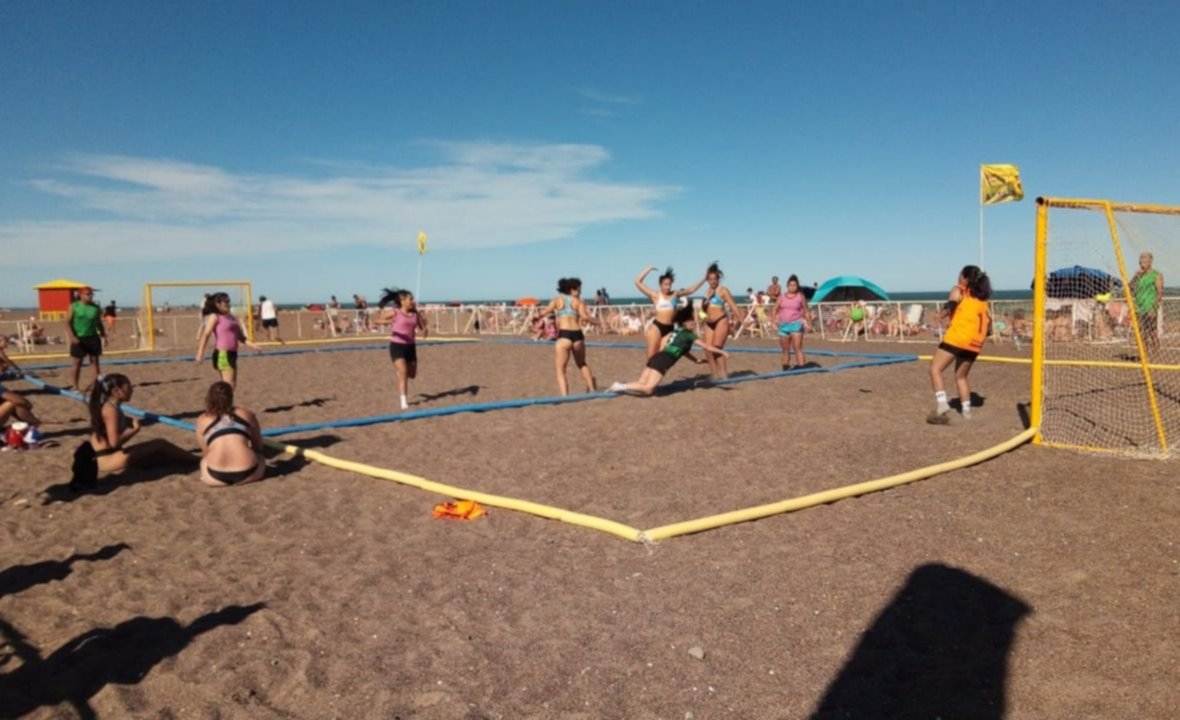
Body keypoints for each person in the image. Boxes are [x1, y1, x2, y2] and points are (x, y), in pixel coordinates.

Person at [73, 374, 196, 487]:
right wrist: (135, 430)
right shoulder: (110, 410)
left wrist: (128, 421)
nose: (132, 390)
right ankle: (197, 460)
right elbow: (114, 443)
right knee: (160, 444)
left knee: (158, 455)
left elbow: (112, 426)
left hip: (106, 455)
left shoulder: (111, 406)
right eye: (128, 387)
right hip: (106, 459)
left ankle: (192, 460)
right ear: (116, 391)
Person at [928, 266, 991, 424]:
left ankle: (942, 403)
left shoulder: (960, 289)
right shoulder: (983, 300)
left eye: (959, 275)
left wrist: (941, 315)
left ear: (965, 278)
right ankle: (966, 411)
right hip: (975, 343)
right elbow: (988, 324)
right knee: (961, 377)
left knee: (935, 369)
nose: (957, 278)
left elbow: (951, 304)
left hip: (957, 338)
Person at [609, 313, 726, 396]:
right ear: (684, 323)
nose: (693, 323)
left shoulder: (678, 331)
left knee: (642, 383)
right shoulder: (689, 335)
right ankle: (620, 386)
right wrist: (722, 351)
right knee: (648, 389)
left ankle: (621, 386)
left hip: (657, 357)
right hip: (664, 360)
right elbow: (707, 346)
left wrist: (696, 360)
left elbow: (682, 351)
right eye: (690, 321)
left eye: (693, 321)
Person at [536, 277, 604, 396]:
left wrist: (536, 316)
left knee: (560, 370)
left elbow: (543, 313)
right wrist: (599, 322)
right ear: (571, 290)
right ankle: (592, 390)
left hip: (564, 335)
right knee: (582, 363)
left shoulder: (557, 300)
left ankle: (565, 396)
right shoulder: (579, 302)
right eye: (578, 289)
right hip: (577, 335)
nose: (580, 291)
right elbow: (586, 317)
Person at [194, 381, 266, 487]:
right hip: (248, 473)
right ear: (231, 397)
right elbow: (258, 446)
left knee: (204, 462)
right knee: (260, 458)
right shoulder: (247, 414)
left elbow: (206, 451)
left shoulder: (202, 420)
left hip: (215, 476)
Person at [634, 265, 707, 359]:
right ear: (660, 285)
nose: (668, 287)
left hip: (669, 328)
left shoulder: (675, 294)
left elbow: (690, 290)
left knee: (662, 355)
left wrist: (704, 279)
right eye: (666, 284)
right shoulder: (655, 295)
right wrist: (649, 269)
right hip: (657, 327)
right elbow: (637, 281)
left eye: (670, 284)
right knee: (651, 355)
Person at [374, 287, 428, 410]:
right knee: (403, 372)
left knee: (412, 374)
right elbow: (377, 320)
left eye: (412, 299)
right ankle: (403, 401)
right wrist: (387, 322)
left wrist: (425, 331)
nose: (413, 301)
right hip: (396, 346)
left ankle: (401, 372)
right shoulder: (395, 312)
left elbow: (424, 329)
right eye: (410, 299)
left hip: (410, 347)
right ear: (402, 301)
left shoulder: (415, 314)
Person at [195, 292, 262, 388]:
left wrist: (253, 345)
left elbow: (240, 337)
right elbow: (206, 334)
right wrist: (200, 352)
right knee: (229, 386)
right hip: (223, 354)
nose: (228, 303)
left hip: (232, 354)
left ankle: (221, 398)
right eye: (226, 301)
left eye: (229, 301)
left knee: (231, 385)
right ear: (218, 304)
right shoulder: (215, 316)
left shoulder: (231, 318)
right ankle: (220, 398)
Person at [701, 262, 744, 380]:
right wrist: (702, 315)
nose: (713, 281)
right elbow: (703, 310)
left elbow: (733, 305)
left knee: (717, 348)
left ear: (718, 279)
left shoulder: (723, 290)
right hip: (709, 323)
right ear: (708, 280)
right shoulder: (707, 292)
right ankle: (714, 374)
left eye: (715, 279)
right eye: (710, 279)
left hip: (720, 321)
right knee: (707, 350)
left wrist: (741, 320)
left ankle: (724, 375)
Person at [65, 287, 105, 391]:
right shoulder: (74, 306)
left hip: (93, 337)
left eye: (91, 294)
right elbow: (67, 322)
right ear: (81, 295)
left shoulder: (95, 308)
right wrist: (72, 336)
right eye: (88, 294)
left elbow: (98, 322)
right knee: (77, 362)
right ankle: (75, 387)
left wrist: (103, 334)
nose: (90, 296)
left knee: (94, 362)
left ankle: (96, 386)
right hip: (79, 338)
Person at [773, 274, 813, 370]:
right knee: (785, 349)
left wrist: (809, 323)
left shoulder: (800, 297)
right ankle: (785, 366)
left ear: (797, 286)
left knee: (797, 348)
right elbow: (774, 310)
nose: (792, 287)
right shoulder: (781, 297)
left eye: (794, 285)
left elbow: (806, 310)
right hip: (783, 325)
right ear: (787, 286)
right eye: (790, 285)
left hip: (796, 324)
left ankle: (802, 367)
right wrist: (773, 321)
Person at [1130, 251, 1164, 351]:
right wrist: (1135, 277)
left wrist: (1154, 308)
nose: (1142, 264)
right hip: (1139, 307)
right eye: (1140, 262)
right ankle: (1144, 353)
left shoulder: (1156, 275)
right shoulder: (1138, 276)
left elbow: (1160, 293)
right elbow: (1129, 288)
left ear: (1150, 262)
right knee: (1141, 332)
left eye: (1144, 262)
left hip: (1150, 307)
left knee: (1152, 332)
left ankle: (1156, 351)